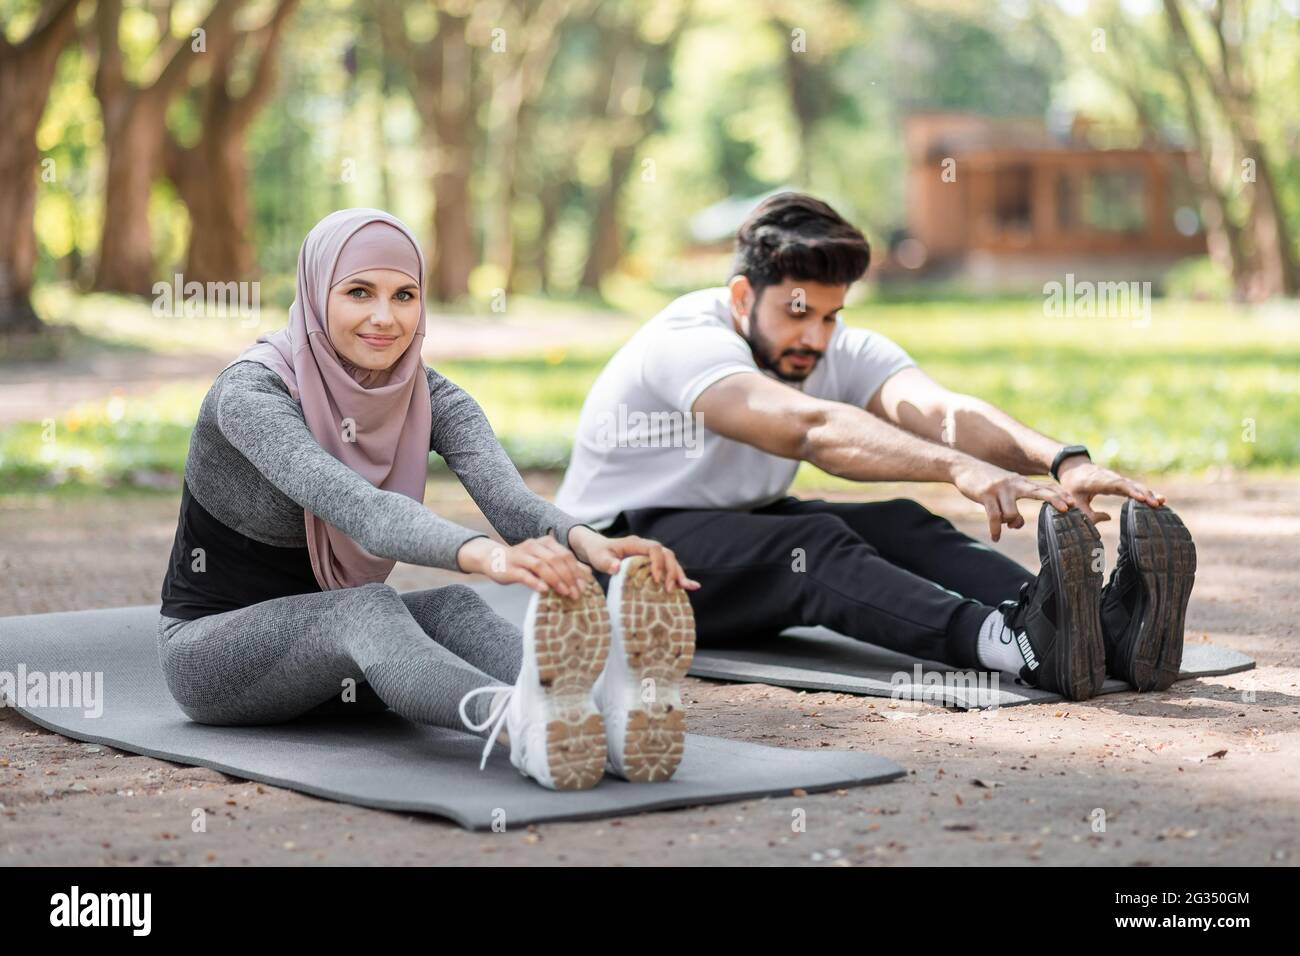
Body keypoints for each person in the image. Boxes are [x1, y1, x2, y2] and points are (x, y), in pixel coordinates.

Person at [556, 192, 1196, 702]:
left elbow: (942, 413)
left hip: (723, 531)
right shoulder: (685, 341)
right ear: (742, 297)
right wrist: (956, 469)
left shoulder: (828, 346)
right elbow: (807, 430)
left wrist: (1064, 460)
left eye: (831, 316)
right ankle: (1011, 646)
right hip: (616, 560)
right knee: (812, 548)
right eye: (798, 312)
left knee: (901, 522)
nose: (816, 336)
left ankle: (1086, 628)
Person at [156, 208, 698, 791]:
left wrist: (596, 545)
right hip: (217, 662)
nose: (385, 318)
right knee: (369, 607)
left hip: (350, 671)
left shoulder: (428, 394)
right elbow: (363, 512)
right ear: (317, 294)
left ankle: (596, 713)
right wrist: (489, 557)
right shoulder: (250, 393)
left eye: (405, 295)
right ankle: (518, 723)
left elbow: (510, 503)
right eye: (359, 292)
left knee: (454, 608)